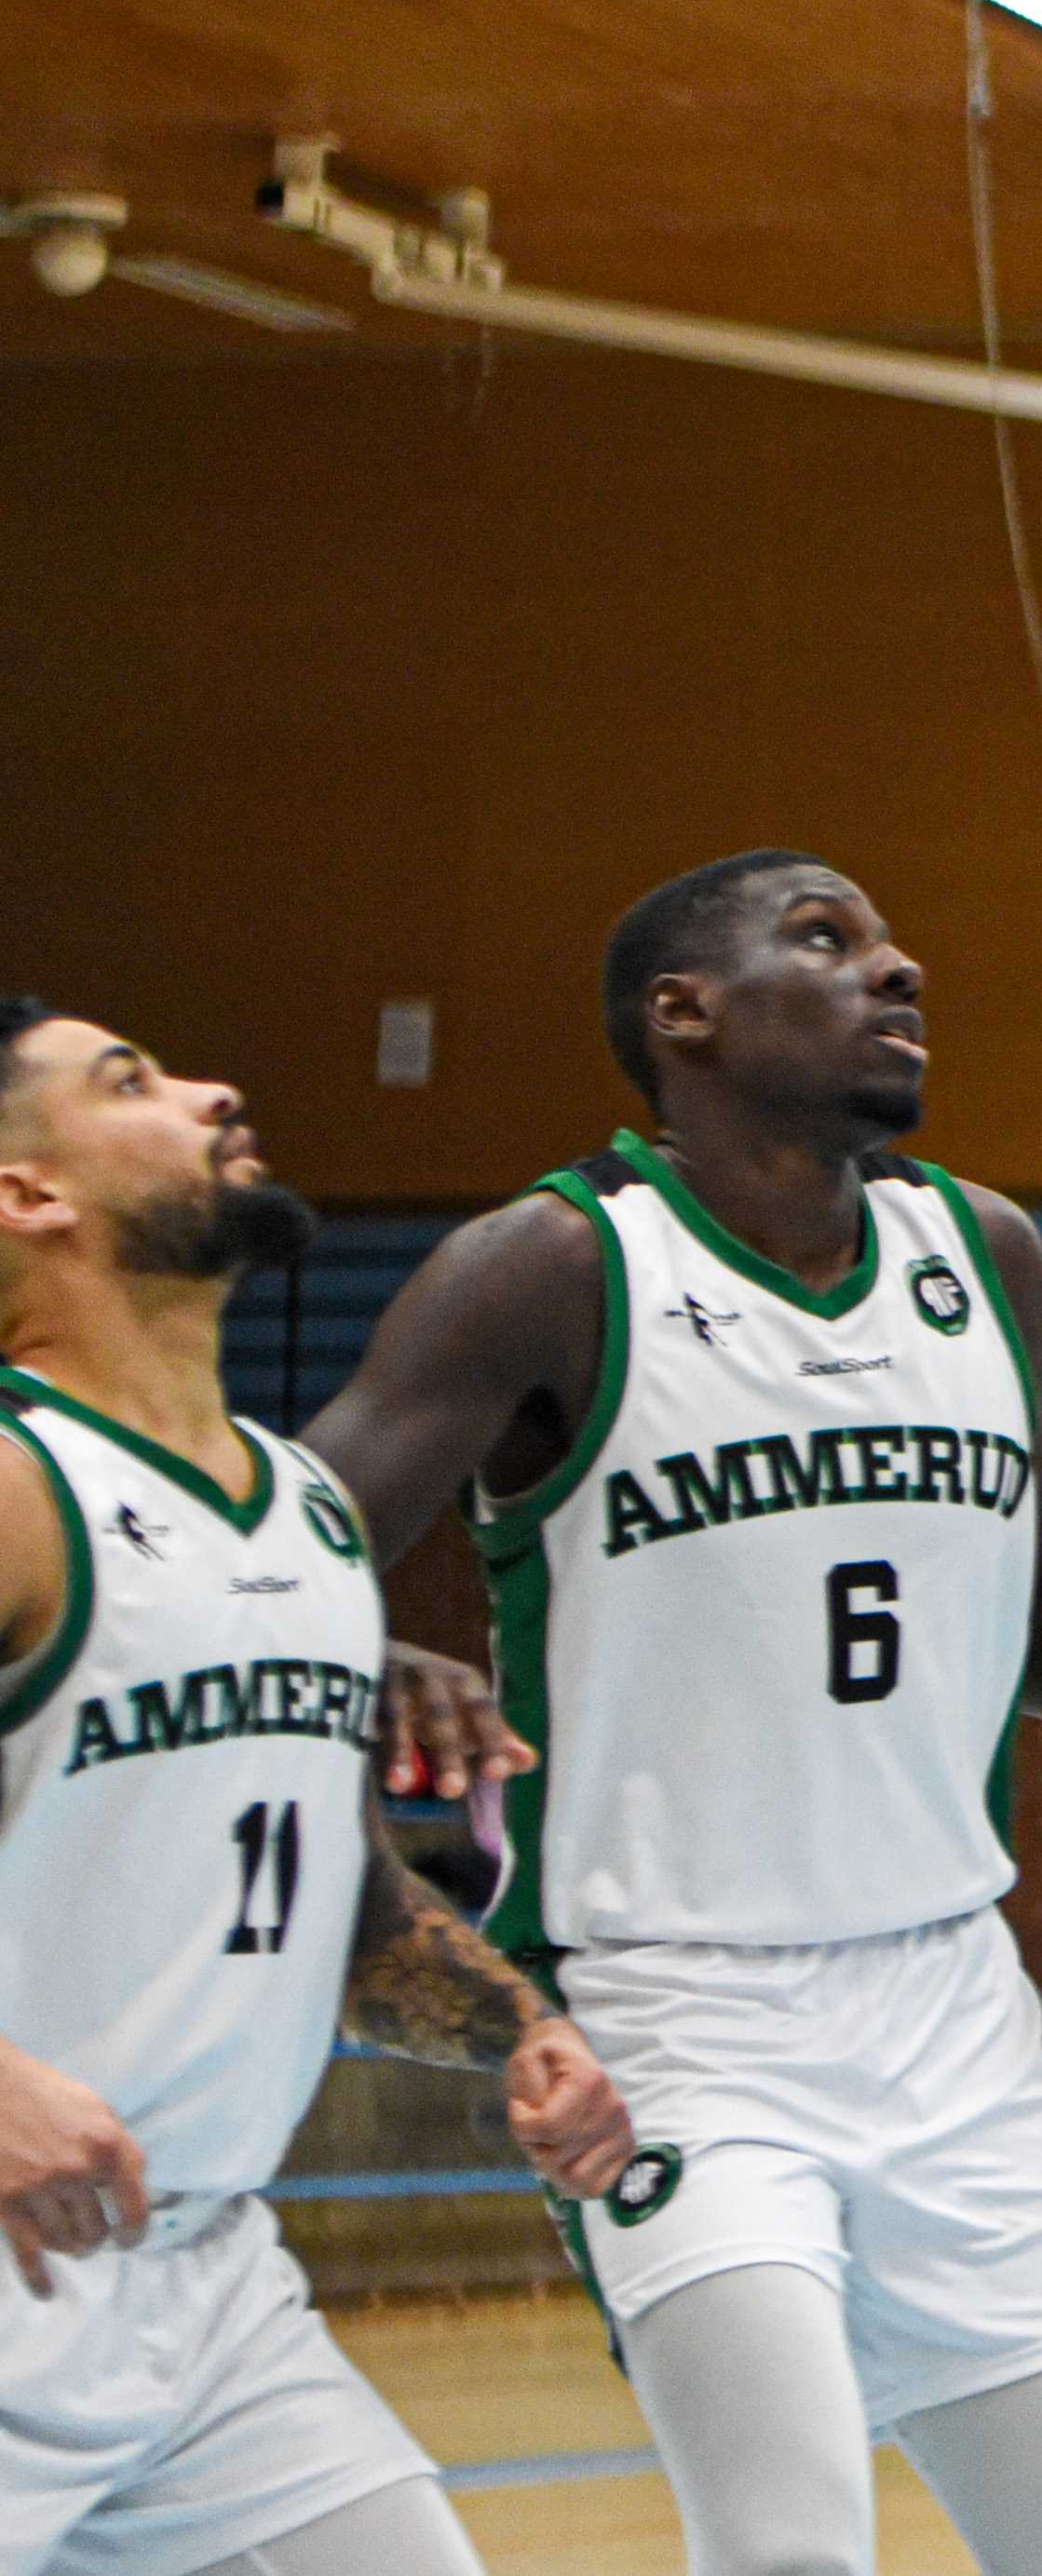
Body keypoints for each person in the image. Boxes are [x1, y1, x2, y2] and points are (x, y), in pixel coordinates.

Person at [304, 853, 1042, 2576]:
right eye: (827, 940)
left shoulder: (987, 1257)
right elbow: (268, 1555)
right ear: (683, 1015)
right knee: (791, 2553)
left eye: (886, 938)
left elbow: (1030, 1620)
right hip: (677, 2016)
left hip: (954, 2013)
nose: (898, 965)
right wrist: (369, 1656)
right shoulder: (553, 1268)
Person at [0, 999, 633, 2576]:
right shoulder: (18, 1488)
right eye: (131, 1083)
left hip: (204, 2294)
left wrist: (521, 2031)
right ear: (27, 1193)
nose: (219, 1086)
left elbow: (335, 1902)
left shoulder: (303, 1510)